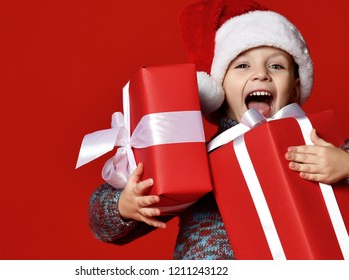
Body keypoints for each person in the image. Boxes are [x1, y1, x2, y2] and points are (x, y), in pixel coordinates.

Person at [88, 0, 349, 259]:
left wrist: (345, 164)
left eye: (276, 66)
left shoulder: (321, 146)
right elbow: (101, 222)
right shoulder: (196, 159)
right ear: (219, 88)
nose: (261, 75)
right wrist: (125, 204)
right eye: (243, 66)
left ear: (295, 87)